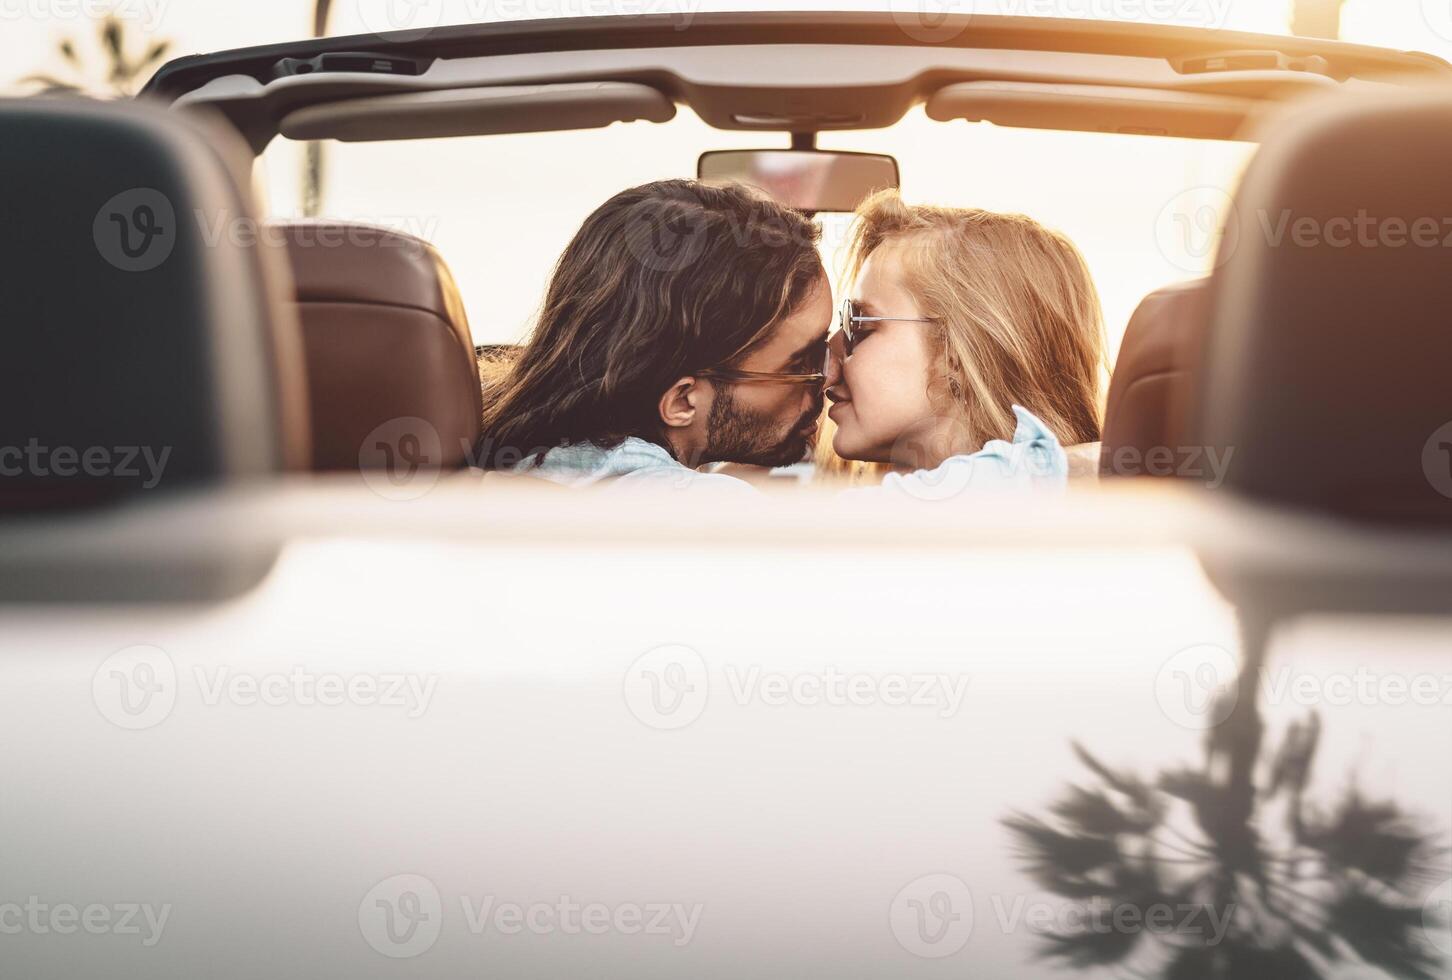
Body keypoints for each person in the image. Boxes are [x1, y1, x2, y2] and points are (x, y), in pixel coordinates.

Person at [477, 180, 831, 491]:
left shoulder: (511, 464)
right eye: (802, 361)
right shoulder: (713, 508)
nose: (829, 376)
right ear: (682, 401)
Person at [823, 191, 1106, 498]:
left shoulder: (883, 517)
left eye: (859, 323)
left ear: (954, 354)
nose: (829, 354)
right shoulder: (1075, 495)